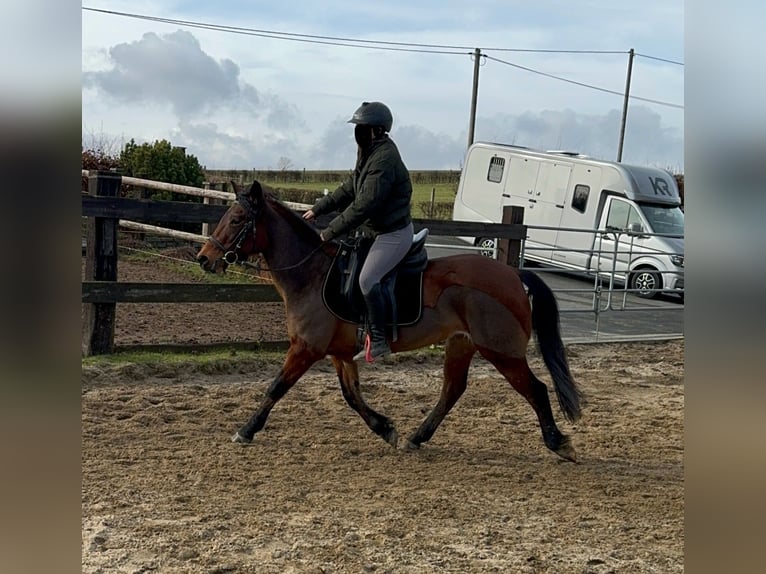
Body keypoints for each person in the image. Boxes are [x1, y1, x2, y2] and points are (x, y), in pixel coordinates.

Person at [303, 101, 414, 362]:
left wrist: (329, 232)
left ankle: (378, 340)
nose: (358, 133)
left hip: (392, 233)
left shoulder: (385, 158)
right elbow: (349, 188)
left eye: (362, 129)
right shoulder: (368, 153)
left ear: (376, 130)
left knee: (367, 280)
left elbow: (365, 204)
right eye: (357, 129)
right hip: (373, 232)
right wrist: (318, 209)